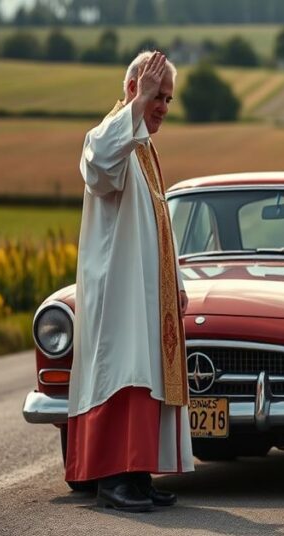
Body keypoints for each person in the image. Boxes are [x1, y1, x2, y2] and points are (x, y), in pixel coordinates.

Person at [65, 50, 193, 512]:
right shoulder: (110, 136)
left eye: (167, 99)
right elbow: (96, 166)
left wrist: (174, 281)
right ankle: (111, 477)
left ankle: (137, 474)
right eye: (157, 95)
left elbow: (160, 221)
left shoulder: (144, 149)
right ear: (133, 90)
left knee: (145, 378)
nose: (162, 106)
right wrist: (136, 106)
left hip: (146, 290)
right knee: (122, 375)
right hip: (118, 290)